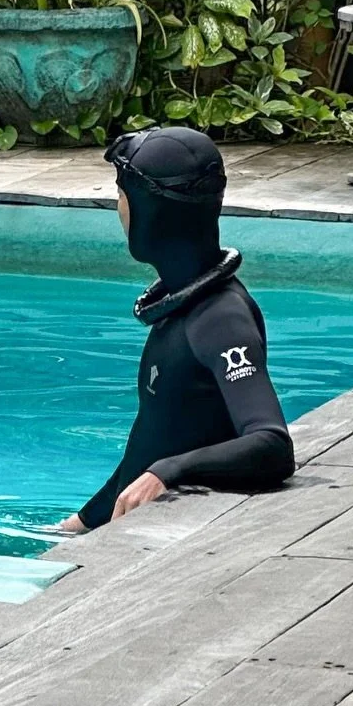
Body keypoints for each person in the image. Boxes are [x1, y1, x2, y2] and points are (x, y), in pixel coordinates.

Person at [61, 127, 295, 532]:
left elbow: (271, 444)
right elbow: (155, 442)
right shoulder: (182, 304)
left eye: (121, 194)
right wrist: (78, 525)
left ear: (151, 211)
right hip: (118, 528)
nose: (118, 208)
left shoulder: (220, 317)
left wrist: (169, 471)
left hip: (174, 540)